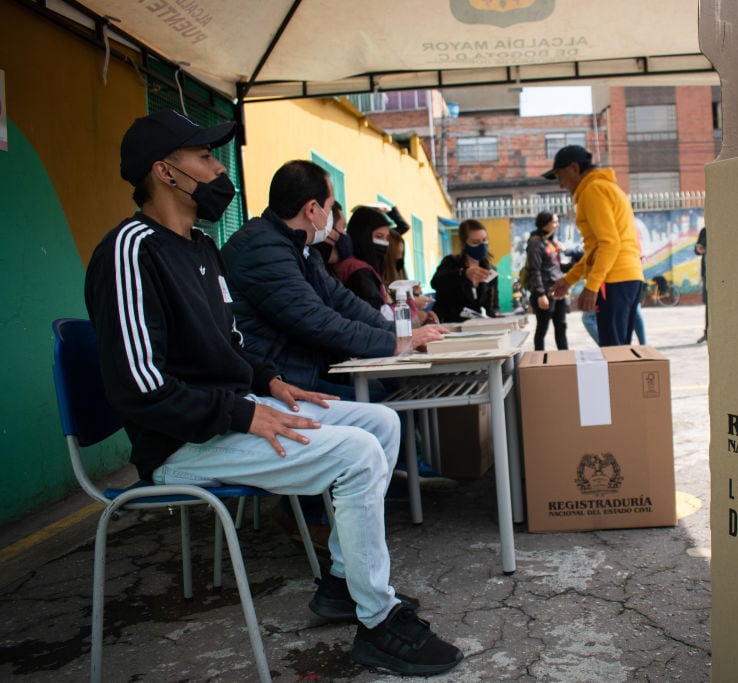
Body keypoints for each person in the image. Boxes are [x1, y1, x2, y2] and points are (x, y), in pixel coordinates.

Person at [85, 117, 462, 676]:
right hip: (181, 442)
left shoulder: (202, 249)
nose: (220, 169)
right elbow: (142, 386)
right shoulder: (131, 250)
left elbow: (230, 345)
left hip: (231, 414)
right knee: (356, 454)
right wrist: (244, 412)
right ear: (165, 172)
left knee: (380, 423)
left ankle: (340, 583)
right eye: (206, 158)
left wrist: (268, 382)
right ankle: (378, 624)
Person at [222, 163, 445, 400]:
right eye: (329, 208)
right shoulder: (263, 249)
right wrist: (395, 342)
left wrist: (402, 334)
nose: (330, 218)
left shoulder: (301, 250)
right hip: (276, 378)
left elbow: (345, 303)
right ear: (311, 209)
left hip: (303, 366)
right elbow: (315, 320)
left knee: (396, 386)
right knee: (382, 402)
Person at [544, 145, 644, 346]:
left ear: (574, 168)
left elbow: (610, 243)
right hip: (627, 276)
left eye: (560, 176)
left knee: (613, 351)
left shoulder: (593, 190)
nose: (561, 185)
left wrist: (592, 286)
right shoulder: (605, 187)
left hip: (613, 279)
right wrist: (569, 280)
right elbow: (595, 250)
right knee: (619, 350)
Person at [430, 219, 499, 323]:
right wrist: (464, 274)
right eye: (475, 242)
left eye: (484, 240)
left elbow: (492, 307)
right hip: (450, 325)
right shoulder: (451, 262)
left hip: (476, 327)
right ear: (463, 244)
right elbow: (436, 282)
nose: (482, 245)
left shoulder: (489, 270)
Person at [333, 205, 393, 317]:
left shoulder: (354, 266)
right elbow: (377, 313)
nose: (385, 243)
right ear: (363, 236)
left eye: (387, 238)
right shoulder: (359, 271)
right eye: (379, 237)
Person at [526, 211, 568, 350]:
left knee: (561, 326)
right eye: (554, 222)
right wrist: (540, 294)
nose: (557, 224)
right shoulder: (535, 243)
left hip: (558, 290)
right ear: (546, 223)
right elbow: (534, 269)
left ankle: (565, 358)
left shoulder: (550, 241)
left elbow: (556, 267)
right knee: (542, 329)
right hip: (545, 292)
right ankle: (538, 359)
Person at [695, 225, 708, 344]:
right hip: (707, 274)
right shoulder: (704, 231)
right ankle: (707, 333)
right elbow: (697, 248)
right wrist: (699, 248)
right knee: (708, 304)